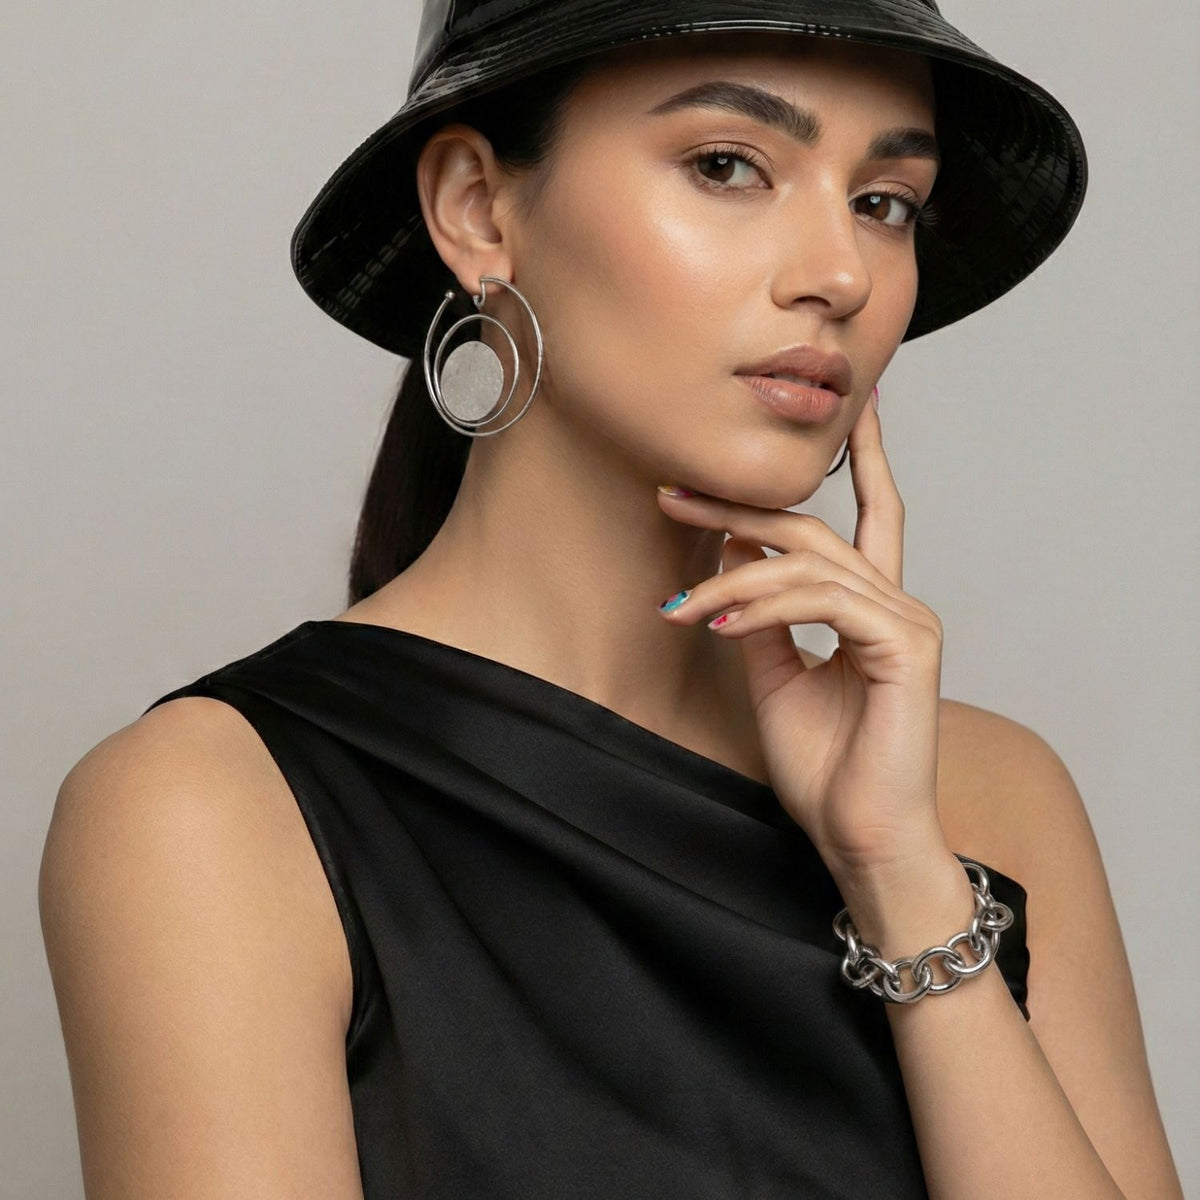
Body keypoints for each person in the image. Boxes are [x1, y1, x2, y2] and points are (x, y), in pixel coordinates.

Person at [38, 2, 1183, 1197]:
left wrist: (900, 875)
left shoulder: (987, 799)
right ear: (478, 208)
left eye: (884, 200)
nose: (841, 273)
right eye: (728, 166)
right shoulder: (214, 815)